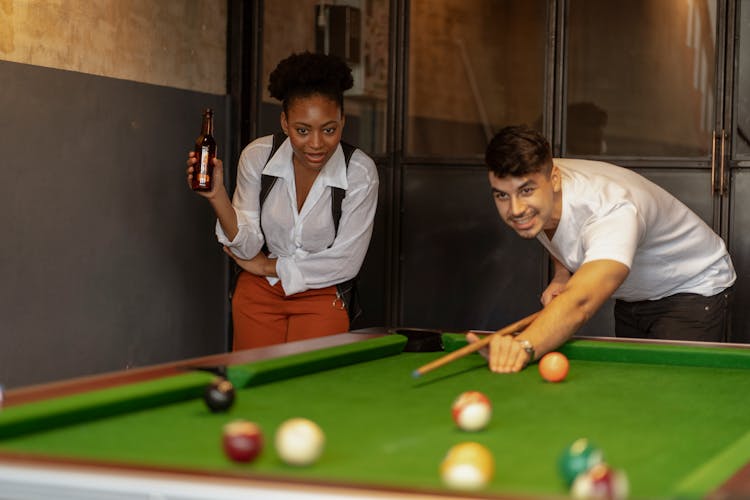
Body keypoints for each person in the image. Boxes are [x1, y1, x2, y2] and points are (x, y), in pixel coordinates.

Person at [468, 125, 736, 373]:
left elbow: (581, 302)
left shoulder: (610, 210)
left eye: (526, 191)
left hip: (690, 288)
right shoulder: (540, 187)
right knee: (634, 386)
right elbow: (557, 229)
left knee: (670, 394)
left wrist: (524, 345)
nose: (515, 209)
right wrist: (563, 274)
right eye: (502, 195)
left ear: (555, 179)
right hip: (634, 296)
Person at [186, 52, 379, 350]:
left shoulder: (360, 172)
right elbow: (247, 246)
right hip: (258, 295)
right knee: (255, 387)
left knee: (311, 390)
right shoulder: (258, 156)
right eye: (302, 130)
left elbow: (346, 262)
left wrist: (267, 267)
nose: (316, 144)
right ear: (285, 122)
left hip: (322, 294)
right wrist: (218, 196)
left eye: (329, 129)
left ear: (342, 120)